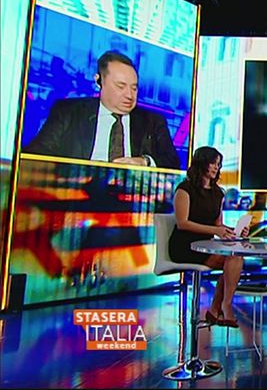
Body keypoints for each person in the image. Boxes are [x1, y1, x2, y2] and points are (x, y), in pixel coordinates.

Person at [24, 51, 180, 169]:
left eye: (134, 88)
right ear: (99, 81)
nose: (129, 95)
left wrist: (144, 162)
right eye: (121, 86)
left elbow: (172, 162)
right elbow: (35, 153)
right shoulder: (69, 112)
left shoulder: (153, 121)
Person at [169, 146, 244, 328]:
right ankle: (219, 308)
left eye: (218, 164)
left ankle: (220, 306)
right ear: (202, 163)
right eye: (213, 163)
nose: (216, 167)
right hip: (185, 246)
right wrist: (215, 230)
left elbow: (218, 224)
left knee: (235, 257)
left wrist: (234, 231)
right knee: (231, 261)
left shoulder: (218, 193)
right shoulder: (185, 189)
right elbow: (183, 223)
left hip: (207, 246)